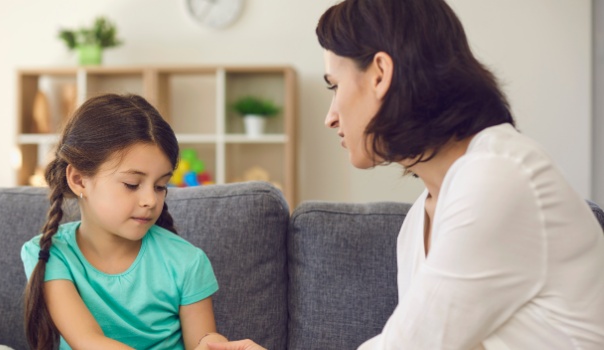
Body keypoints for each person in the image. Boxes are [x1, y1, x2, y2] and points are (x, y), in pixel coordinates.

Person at [209, 0, 604, 349]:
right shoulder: (418, 222)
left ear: (380, 73)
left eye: (335, 86)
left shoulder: (498, 178)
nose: (330, 117)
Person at [21, 93, 229, 350]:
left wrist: (211, 342)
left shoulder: (187, 261)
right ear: (78, 180)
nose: (150, 200)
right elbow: (88, 341)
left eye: (161, 186)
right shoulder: (49, 254)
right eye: (132, 184)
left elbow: (202, 338)